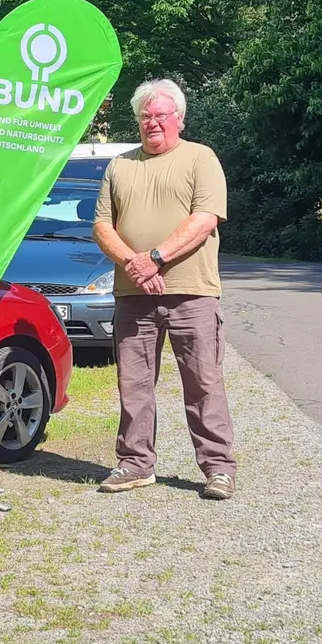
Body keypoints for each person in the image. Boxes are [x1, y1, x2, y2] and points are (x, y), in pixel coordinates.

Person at [91, 79, 238, 500]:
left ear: (179, 119)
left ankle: (218, 468)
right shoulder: (120, 166)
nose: (152, 122)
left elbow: (205, 218)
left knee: (203, 382)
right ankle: (135, 464)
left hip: (192, 291)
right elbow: (101, 226)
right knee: (133, 383)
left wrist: (154, 258)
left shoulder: (200, 158)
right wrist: (134, 265)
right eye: (145, 116)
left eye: (160, 115)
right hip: (133, 294)